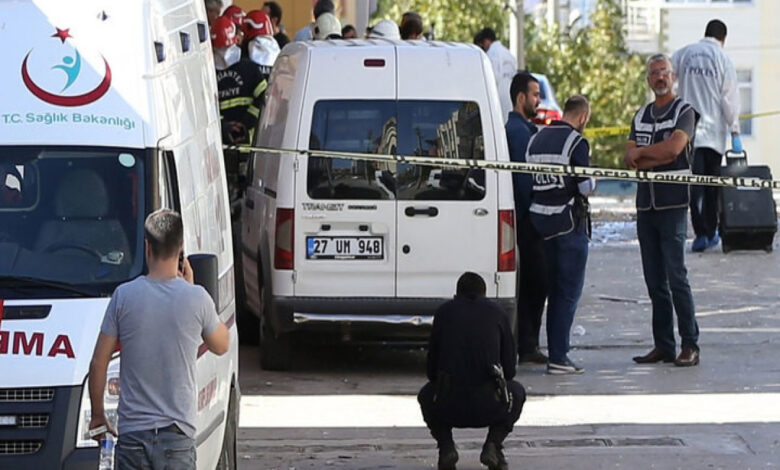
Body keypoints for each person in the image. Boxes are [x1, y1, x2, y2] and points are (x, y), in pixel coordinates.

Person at [88, 209, 230, 470]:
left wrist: (98, 415)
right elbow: (222, 344)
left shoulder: (124, 297)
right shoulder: (196, 298)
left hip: (132, 440)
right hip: (176, 440)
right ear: (181, 251)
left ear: (147, 248)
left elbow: (98, 363)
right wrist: (192, 287)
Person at [625, 53, 701, 368]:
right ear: (648, 79)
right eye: (654, 73)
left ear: (673, 77)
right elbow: (629, 157)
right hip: (646, 206)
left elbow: (674, 150)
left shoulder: (685, 112)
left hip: (672, 205)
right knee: (654, 280)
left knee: (676, 276)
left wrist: (646, 155)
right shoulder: (640, 115)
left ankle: (690, 344)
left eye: (664, 72)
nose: (660, 78)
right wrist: (647, 156)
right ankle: (663, 345)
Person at [418, 272, 526, 470]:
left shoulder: (444, 313)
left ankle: (446, 448)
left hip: (448, 405)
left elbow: (431, 371)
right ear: (484, 293)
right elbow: (510, 371)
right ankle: (493, 445)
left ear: (456, 294)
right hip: (490, 406)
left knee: (425, 395)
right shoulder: (498, 313)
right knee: (517, 392)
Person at [526, 95, 594, 375]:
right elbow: (585, 186)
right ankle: (559, 356)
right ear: (583, 117)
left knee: (553, 291)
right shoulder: (576, 142)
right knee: (567, 293)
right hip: (568, 224)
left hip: (541, 224)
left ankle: (555, 351)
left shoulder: (537, 139)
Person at [672, 19, 741, 252]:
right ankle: (710, 233)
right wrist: (735, 130)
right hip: (713, 135)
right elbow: (728, 99)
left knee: (693, 186)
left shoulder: (686, 53)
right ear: (723, 39)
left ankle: (700, 233)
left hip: (688, 132)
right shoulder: (723, 60)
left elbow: (667, 73)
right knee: (712, 186)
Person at [505, 72, 548, 365]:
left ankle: (528, 342)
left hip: (525, 219)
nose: (538, 100)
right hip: (528, 221)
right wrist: (534, 216)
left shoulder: (524, 128)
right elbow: (524, 180)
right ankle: (528, 344)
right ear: (521, 98)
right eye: (534, 95)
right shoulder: (519, 132)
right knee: (536, 282)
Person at [212, 15, 267, 146]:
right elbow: (205, 109)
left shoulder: (249, 69)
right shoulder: (209, 75)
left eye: (225, 48)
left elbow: (265, 97)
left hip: (250, 147)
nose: (223, 53)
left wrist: (247, 123)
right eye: (218, 49)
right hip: (222, 147)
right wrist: (223, 126)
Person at [474, 28, 517, 123]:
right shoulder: (506, 52)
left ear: (486, 41)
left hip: (500, 94)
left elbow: (492, 78)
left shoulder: (491, 54)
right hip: (510, 93)